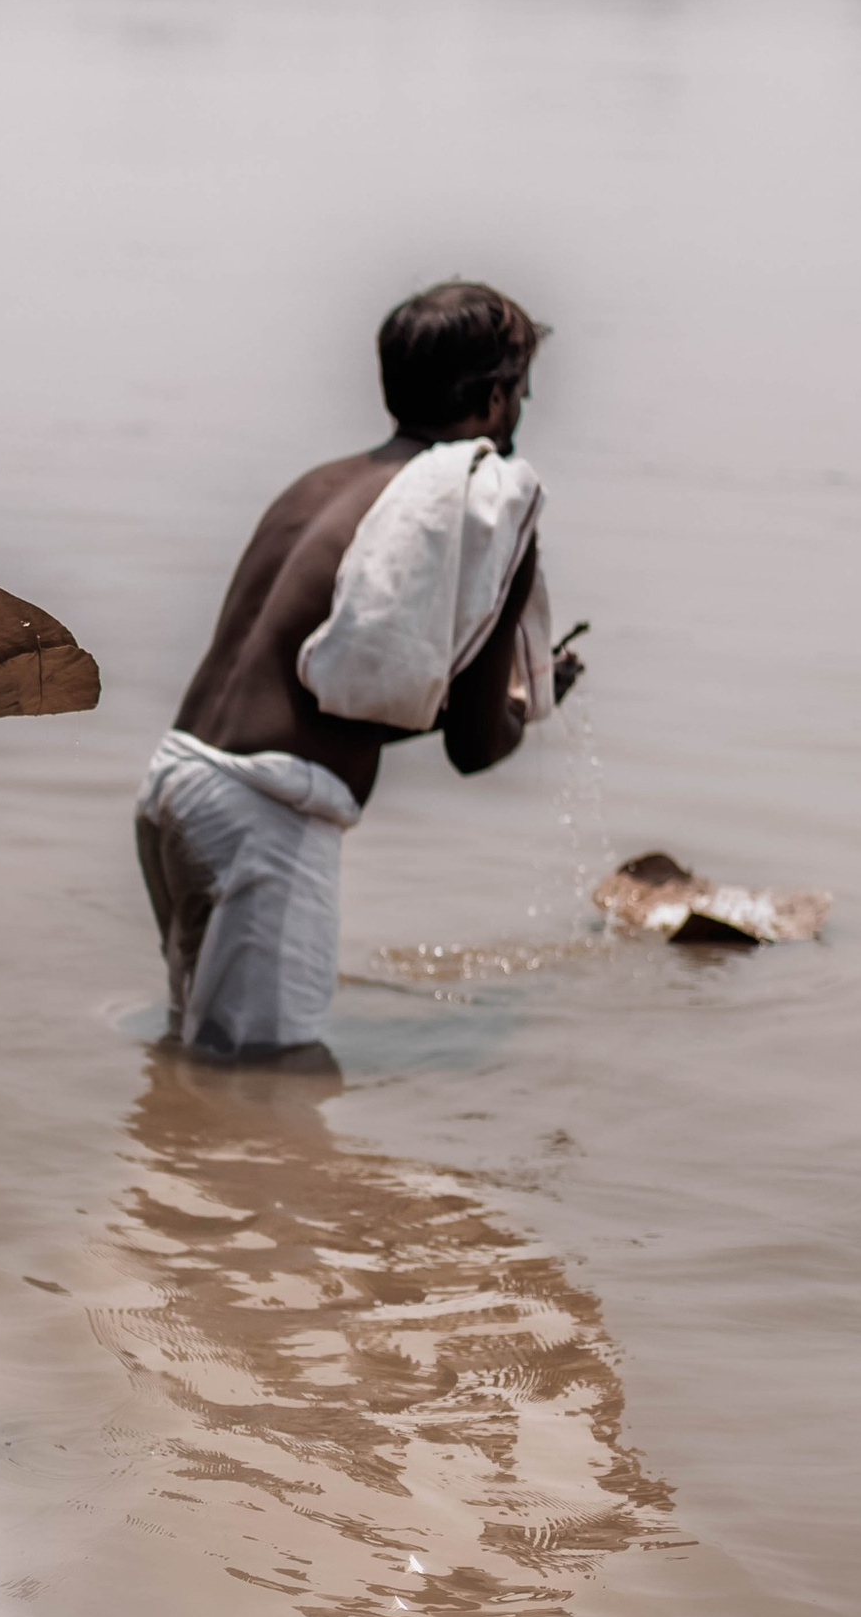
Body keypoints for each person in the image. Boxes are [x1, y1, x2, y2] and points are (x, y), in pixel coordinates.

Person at [136, 279, 582, 1069]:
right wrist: (525, 701)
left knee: (201, 1056)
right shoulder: (476, 506)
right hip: (263, 814)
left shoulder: (321, 486)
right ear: (491, 398)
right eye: (521, 394)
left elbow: (333, 701)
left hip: (177, 783)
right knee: (268, 1079)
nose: (519, 415)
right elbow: (476, 748)